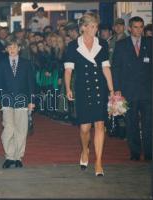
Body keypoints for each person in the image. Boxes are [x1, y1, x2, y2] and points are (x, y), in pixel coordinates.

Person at [64, 12, 114, 176]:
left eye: (96, 26)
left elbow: (106, 68)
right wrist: (68, 88)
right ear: (83, 27)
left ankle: (98, 162)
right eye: (91, 26)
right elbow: (68, 70)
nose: (95, 29)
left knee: (100, 125)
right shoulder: (72, 46)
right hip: (82, 89)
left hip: (99, 87)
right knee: (85, 128)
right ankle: (85, 150)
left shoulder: (103, 44)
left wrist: (112, 89)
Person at [112, 16, 152, 161]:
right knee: (131, 123)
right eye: (135, 27)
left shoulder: (150, 43)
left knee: (149, 124)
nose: (139, 30)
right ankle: (135, 152)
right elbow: (115, 68)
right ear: (129, 28)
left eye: (141, 27)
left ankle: (149, 153)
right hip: (128, 91)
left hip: (147, 92)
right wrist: (117, 89)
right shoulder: (121, 45)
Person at [0, 38, 35, 169]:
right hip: (6, 102)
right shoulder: (1, 64)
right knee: (8, 129)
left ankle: (18, 157)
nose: (12, 50)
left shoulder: (27, 63)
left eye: (14, 47)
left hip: (22, 101)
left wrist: (32, 101)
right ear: (6, 49)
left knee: (21, 130)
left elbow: (31, 84)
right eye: (9, 47)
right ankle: (9, 156)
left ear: (19, 48)